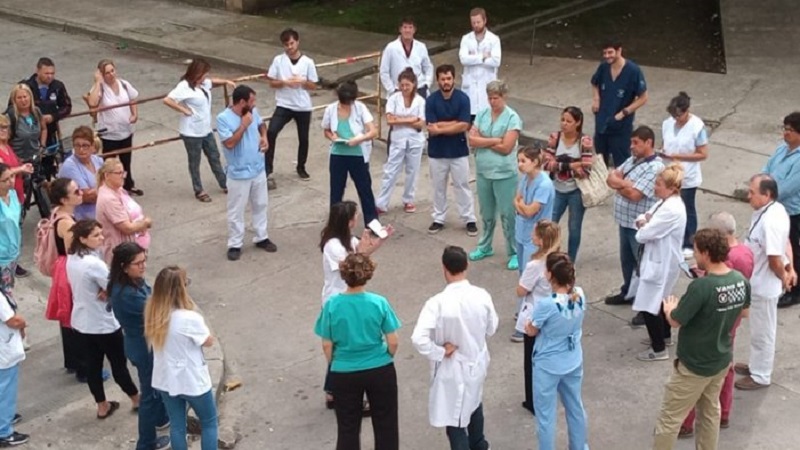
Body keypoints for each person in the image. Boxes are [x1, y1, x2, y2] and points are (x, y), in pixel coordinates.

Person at [653, 228, 751, 450]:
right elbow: (744, 313)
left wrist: (670, 308)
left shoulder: (701, 286)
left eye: (696, 251)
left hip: (694, 364)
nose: (694, 257)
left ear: (706, 253)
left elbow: (676, 321)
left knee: (669, 419)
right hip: (721, 360)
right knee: (709, 413)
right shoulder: (739, 280)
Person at [411, 245, 498, 450]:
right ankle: (479, 446)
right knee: (474, 405)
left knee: (456, 420)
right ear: (466, 265)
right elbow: (492, 328)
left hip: (453, 370)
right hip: (475, 363)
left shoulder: (437, 303)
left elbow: (418, 338)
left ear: (444, 268)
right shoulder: (482, 295)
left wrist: (441, 351)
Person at [314, 253, 401, 450]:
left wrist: (335, 362)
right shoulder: (378, 302)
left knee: (347, 428)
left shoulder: (332, 305)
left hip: (344, 371)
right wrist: (386, 357)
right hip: (380, 368)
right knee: (386, 425)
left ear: (344, 275)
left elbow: (326, 344)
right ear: (368, 274)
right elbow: (393, 340)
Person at [679, 211, 754, 437]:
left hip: (714, 319)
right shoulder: (746, 253)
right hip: (733, 318)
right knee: (726, 366)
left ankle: (686, 422)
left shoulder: (726, 260)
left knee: (699, 373)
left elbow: (712, 285)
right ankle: (725, 412)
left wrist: (700, 275)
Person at [66, 219, 140, 419]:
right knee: (118, 364)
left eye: (101, 233)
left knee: (93, 366)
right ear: (82, 239)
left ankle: (102, 405)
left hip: (82, 322)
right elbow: (114, 285)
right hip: (103, 322)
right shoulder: (93, 264)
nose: (101, 238)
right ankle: (135, 398)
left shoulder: (72, 258)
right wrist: (106, 289)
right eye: (96, 235)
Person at [145, 266, 218, 450]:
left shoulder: (153, 314)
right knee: (209, 423)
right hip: (192, 380)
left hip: (166, 380)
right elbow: (208, 341)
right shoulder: (189, 318)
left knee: (177, 426)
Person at [524, 253, 589, 450]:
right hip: (572, 358)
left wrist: (529, 324)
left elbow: (532, 330)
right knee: (575, 408)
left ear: (551, 275)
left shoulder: (546, 304)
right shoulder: (579, 294)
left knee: (545, 417)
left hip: (548, 364)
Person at [734, 174, 793, 390]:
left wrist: (784, 276)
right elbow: (786, 243)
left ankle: (761, 375)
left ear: (767, 195)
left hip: (764, 285)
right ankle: (755, 364)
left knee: (763, 332)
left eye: (752, 193)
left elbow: (774, 258)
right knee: (757, 330)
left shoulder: (772, 220)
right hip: (756, 280)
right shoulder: (768, 210)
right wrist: (791, 268)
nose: (748, 196)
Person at [110, 242, 170, 450]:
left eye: (144, 261)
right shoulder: (128, 294)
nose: (143, 266)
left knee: (155, 390)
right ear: (124, 266)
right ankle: (146, 443)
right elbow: (157, 311)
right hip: (142, 347)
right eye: (138, 263)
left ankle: (162, 417)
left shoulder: (131, 282)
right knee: (149, 397)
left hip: (143, 342)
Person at [603, 126, 664, 324]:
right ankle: (628, 292)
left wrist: (622, 184)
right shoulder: (634, 160)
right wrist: (624, 184)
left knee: (643, 268)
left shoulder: (654, 167)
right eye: (631, 142)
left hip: (640, 227)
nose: (632, 146)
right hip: (624, 221)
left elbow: (635, 195)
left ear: (649, 143)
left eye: (636, 143)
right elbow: (611, 177)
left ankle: (646, 307)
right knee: (627, 261)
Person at [632, 164, 687, 362]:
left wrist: (645, 223)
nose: (654, 187)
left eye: (658, 184)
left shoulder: (671, 209)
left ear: (672, 188)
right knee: (661, 299)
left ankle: (658, 349)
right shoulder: (664, 202)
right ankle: (664, 337)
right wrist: (645, 221)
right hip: (660, 260)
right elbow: (643, 218)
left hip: (661, 263)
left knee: (649, 305)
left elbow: (643, 234)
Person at [217, 85, 278, 261]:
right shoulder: (223, 118)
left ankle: (261, 236)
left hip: (258, 167)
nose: (254, 104)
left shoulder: (253, 111)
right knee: (236, 209)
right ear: (242, 102)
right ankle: (235, 243)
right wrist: (243, 125)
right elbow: (229, 143)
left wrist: (264, 137)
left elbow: (261, 125)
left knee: (261, 204)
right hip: (239, 173)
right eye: (252, 101)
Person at [467, 80, 523, 270]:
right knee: (487, 212)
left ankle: (514, 251)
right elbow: (472, 139)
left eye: (496, 98)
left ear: (504, 97)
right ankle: (485, 245)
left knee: (508, 214)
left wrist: (483, 139)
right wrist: (493, 140)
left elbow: (507, 148)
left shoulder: (512, 118)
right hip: (483, 171)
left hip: (504, 174)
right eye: (490, 98)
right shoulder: (482, 114)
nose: (492, 101)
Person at [163, 58, 232, 203]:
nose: (205, 77)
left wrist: (226, 82)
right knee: (195, 161)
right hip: (192, 131)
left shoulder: (204, 84)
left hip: (205, 129)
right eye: (203, 74)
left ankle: (224, 183)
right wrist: (184, 110)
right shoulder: (184, 86)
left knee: (214, 156)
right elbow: (168, 100)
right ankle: (198, 189)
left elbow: (213, 82)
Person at [43, 177, 90, 382]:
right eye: (76, 191)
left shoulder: (59, 215)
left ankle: (72, 361)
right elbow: (75, 251)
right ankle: (83, 367)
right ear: (64, 199)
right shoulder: (67, 223)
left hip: (62, 269)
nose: (81, 193)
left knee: (67, 316)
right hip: (69, 270)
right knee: (75, 315)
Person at [514, 221, 560, 414]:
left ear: (541, 241)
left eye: (535, 234)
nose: (532, 236)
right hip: (555, 314)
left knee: (531, 360)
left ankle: (533, 400)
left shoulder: (535, 265)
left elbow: (521, 290)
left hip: (536, 314)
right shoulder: (560, 259)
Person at [426, 64, 477, 236]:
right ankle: (439, 218)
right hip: (437, 151)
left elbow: (464, 125)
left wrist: (440, 129)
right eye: (443, 79)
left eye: (449, 78)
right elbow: (431, 125)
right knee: (438, 187)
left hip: (458, 151)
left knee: (462, 185)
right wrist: (454, 124)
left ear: (454, 79)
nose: (446, 82)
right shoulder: (431, 100)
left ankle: (469, 218)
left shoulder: (463, 99)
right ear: (437, 80)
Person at [322, 80, 380, 227]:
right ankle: (335, 224)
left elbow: (373, 131)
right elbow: (326, 130)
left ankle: (372, 222)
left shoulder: (360, 108)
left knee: (364, 189)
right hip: (338, 153)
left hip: (357, 154)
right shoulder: (330, 109)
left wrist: (360, 138)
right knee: (336, 190)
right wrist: (333, 137)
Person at [266, 28, 319, 186]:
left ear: (297, 42)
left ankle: (301, 166)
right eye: (286, 44)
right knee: (271, 131)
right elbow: (271, 82)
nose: (289, 47)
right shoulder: (278, 60)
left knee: (303, 138)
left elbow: (313, 86)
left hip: (302, 106)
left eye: (291, 43)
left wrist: (302, 82)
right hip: (284, 104)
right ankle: (267, 168)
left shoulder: (308, 62)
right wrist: (285, 82)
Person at [659, 92, 709, 259]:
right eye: (674, 115)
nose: (676, 118)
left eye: (679, 115)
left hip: (687, 174)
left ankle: (688, 242)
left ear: (687, 111)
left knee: (687, 207)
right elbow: (665, 143)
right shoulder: (667, 123)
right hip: (670, 172)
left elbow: (703, 154)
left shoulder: (697, 126)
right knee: (668, 206)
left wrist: (677, 156)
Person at [543, 106, 594, 262]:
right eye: (562, 120)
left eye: (569, 121)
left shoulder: (584, 141)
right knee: (550, 225)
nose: (564, 124)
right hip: (557, 189)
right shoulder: (555, 138)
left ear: (577, 123)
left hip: (576, 191)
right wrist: (571, 165)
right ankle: (548, 256)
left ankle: (570, 261)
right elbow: (546, 164)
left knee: (574, 228)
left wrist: (558, 165)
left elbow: (586, 170)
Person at [86, 59, 142, 196]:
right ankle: (109, 189)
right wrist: (98, 82)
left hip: (126, 132)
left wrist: (134, 114)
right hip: (109, 135)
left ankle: (128, 185)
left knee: (126, 162)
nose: (111, 74)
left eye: (112, 71)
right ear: (101, 74)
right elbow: (92, 103)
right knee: (109, 166)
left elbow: (132, 99)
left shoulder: (124, 84)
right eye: (107, 73)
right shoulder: (100, 88)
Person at [590, 40, 648, 168]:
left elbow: (643, 98)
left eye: (610, 52)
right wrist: (596, 98)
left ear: (619, 51)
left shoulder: (633, 71)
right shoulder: (603, 67)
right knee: (600, 163)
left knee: (622, 164)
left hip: (621, 126)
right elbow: (595, 83)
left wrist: (624, 112)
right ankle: (602, 187)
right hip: (602, 123)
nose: (607, 56)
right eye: (604, 53)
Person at [376, 68, 426, 214]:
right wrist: (410, 119)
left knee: (413, 170)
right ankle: (381, 202)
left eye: (407, 85)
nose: (404, 88)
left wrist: (401, 120)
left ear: (414, 84)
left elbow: (420, 123)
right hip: (398, 139)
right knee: (391, 170)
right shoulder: (394, 99)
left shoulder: (420, 101)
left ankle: (408, 199)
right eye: (402, 85)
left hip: (415, 140)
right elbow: (390, 120)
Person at [763, 111, 800, 308]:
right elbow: (765, 170)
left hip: (792, 212)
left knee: (793, 249)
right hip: (774, 205)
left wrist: (767, 192)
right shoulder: (781, 150)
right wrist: (762, 185)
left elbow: (788, 188)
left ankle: (794, 290)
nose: (785, 133)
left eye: (790, 130)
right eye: (784, 129)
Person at [96, 158, 152, 264]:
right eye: (119, 173)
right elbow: (127, 228)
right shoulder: (108, 198)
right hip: (121, 254)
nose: (123, 176)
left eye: (123, 172)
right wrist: (145, 223)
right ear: (107, 175)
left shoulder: (119, 189)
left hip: (132, 249)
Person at [513, 146, 555, 272]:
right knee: (521, 270)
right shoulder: (526, 178)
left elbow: (530, 212)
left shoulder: (544, 185)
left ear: (535, 162)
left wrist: (521, 206)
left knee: (531, 272)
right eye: (518, 161)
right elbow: (515, 199)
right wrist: (522, 207)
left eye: (523, 161)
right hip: (522, 230)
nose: (520, 165)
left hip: (537, 236)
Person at [458, 7, 501, 119]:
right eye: (473, 23)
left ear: (485, 20)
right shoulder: (466, 39)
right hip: (470, 86)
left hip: (486, 84)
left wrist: (472, 58)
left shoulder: (494, 39)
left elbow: (496, 61)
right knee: (471, 121)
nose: (476, 25)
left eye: (478, 22)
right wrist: (482, 57)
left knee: (487, 119)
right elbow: (463, 59)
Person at [20, 57, 72, 150]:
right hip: (27, 133)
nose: (50, 76)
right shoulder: (25, 86)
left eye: (52, 73)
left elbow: (67, 107)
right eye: (46, 73)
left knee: (49, 160)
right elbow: (12, 108)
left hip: (50, 132)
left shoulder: (58, 86)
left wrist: (53, 116)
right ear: (37, 71)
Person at [0, 289, 29, 447]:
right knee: (5, 390)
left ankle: (4, 416)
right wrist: (23, 324)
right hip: (4, 351)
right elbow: (12, 321)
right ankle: (3, 431)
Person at [58, 126, 104, 220]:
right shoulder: (70, 165)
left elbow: (112, 183)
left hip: (103, 210)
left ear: (92, 146)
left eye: (85, 145)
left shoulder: (97, 160)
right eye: (77, 145)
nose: (81, 149)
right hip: (83, 218)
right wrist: (106, 188)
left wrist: (101, 189)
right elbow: (88, 197)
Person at [379, 17, 433, 98]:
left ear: (414, 30)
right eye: (405, 27)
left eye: (410, 27)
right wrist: (392, 90)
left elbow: (428, 67)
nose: (407, 30)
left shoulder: (421, 47)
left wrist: (426, 84)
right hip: (398, 90)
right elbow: (384, 71)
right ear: (400, 29)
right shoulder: (391, 47)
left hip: (419, 89)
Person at [0, 163, 29, 297]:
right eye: (5, 180)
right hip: (1, 254)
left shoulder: (12, 194)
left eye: (12, 176)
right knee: (5, 294)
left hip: (13, 250)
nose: (11, 181)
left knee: (9, 287)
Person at [6, 83, 47, 165]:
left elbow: (44, 129)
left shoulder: (36, 111)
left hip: (35, 158)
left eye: (25, 97)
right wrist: (14, 158)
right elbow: (4, 141)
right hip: (17, 161)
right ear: (14, 100)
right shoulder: (10, 116)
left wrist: (42, 146)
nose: (23, 100)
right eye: (19, 98)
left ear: (30, 97)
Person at [0, 114, 33, 204]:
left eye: (4, 127)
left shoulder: (6, 146)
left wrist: (24, 166)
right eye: (0, 128)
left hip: (17, 192)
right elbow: (3, 172)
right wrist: (21, 169)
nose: (2, 130)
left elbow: (14, 165)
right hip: (5, 197)